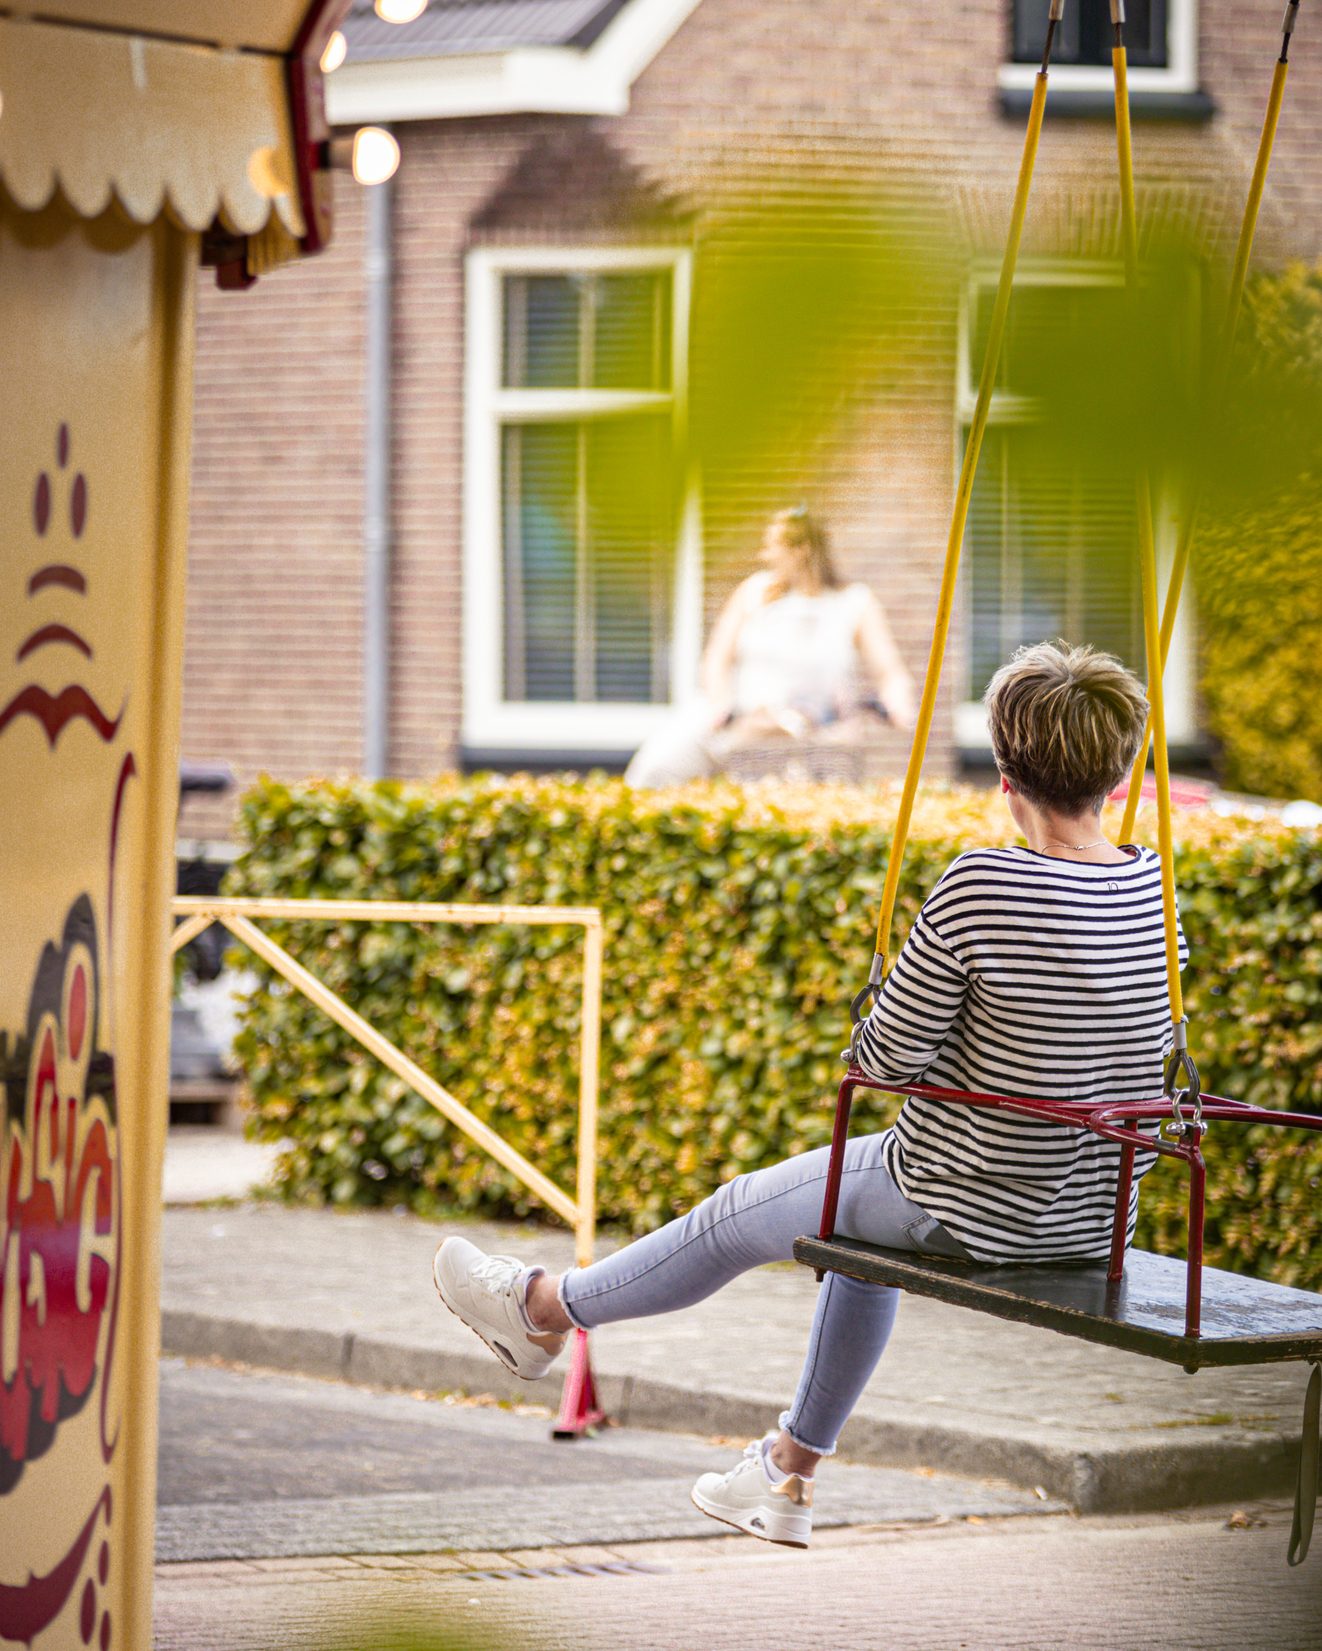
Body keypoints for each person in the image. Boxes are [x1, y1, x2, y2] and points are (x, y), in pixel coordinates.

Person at [434, 640, 1186, 1549]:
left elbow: (885, 1056)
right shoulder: (1154, 886)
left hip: (962, 1200)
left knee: (740, 1212)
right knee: (854, 1238)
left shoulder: (983, 883)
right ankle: (788, 1473)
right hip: (1088, 1221)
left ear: (1003, 772)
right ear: (1118, 772)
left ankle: (542, 1310)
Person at [623, 506, 915, 787]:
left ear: (800, 551)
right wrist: (720, 702)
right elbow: (716, 659)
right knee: (655, 769)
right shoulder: (754, 591)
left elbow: (890, 671)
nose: (764, 555)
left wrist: (898, 704)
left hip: (809, 730)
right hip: (739, 720)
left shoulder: (853, 603)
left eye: (772, 547)